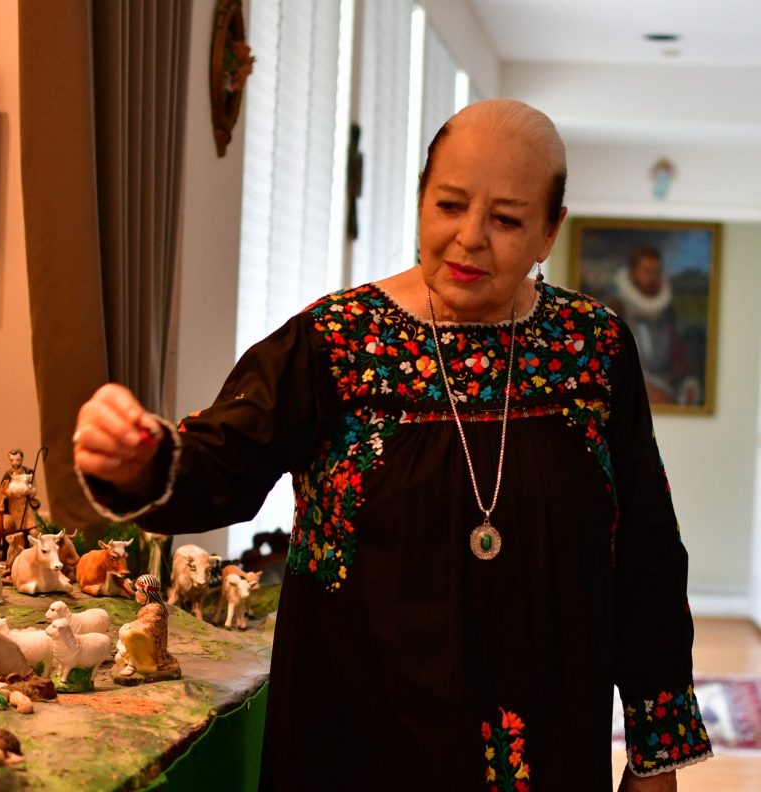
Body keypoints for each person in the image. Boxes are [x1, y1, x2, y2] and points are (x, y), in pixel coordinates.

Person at [72, 100, 711, 790]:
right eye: (449, 205)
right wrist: (142, 460)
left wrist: (657, 752)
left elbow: (646, 553)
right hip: (359, 738)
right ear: (419, 200)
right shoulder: (333, 341)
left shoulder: (596, 349)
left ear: (549, 231)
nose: (469, 238)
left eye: (506, 219)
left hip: (545, 746)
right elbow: (221, 460)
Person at [611, 246, 693, 405]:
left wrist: (684, 381)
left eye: (656, 271)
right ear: (633, 273)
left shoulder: (669, 314)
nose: (652, 277)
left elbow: (680, 358)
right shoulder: (615, 310)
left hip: (666, 389)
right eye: (647, 271)